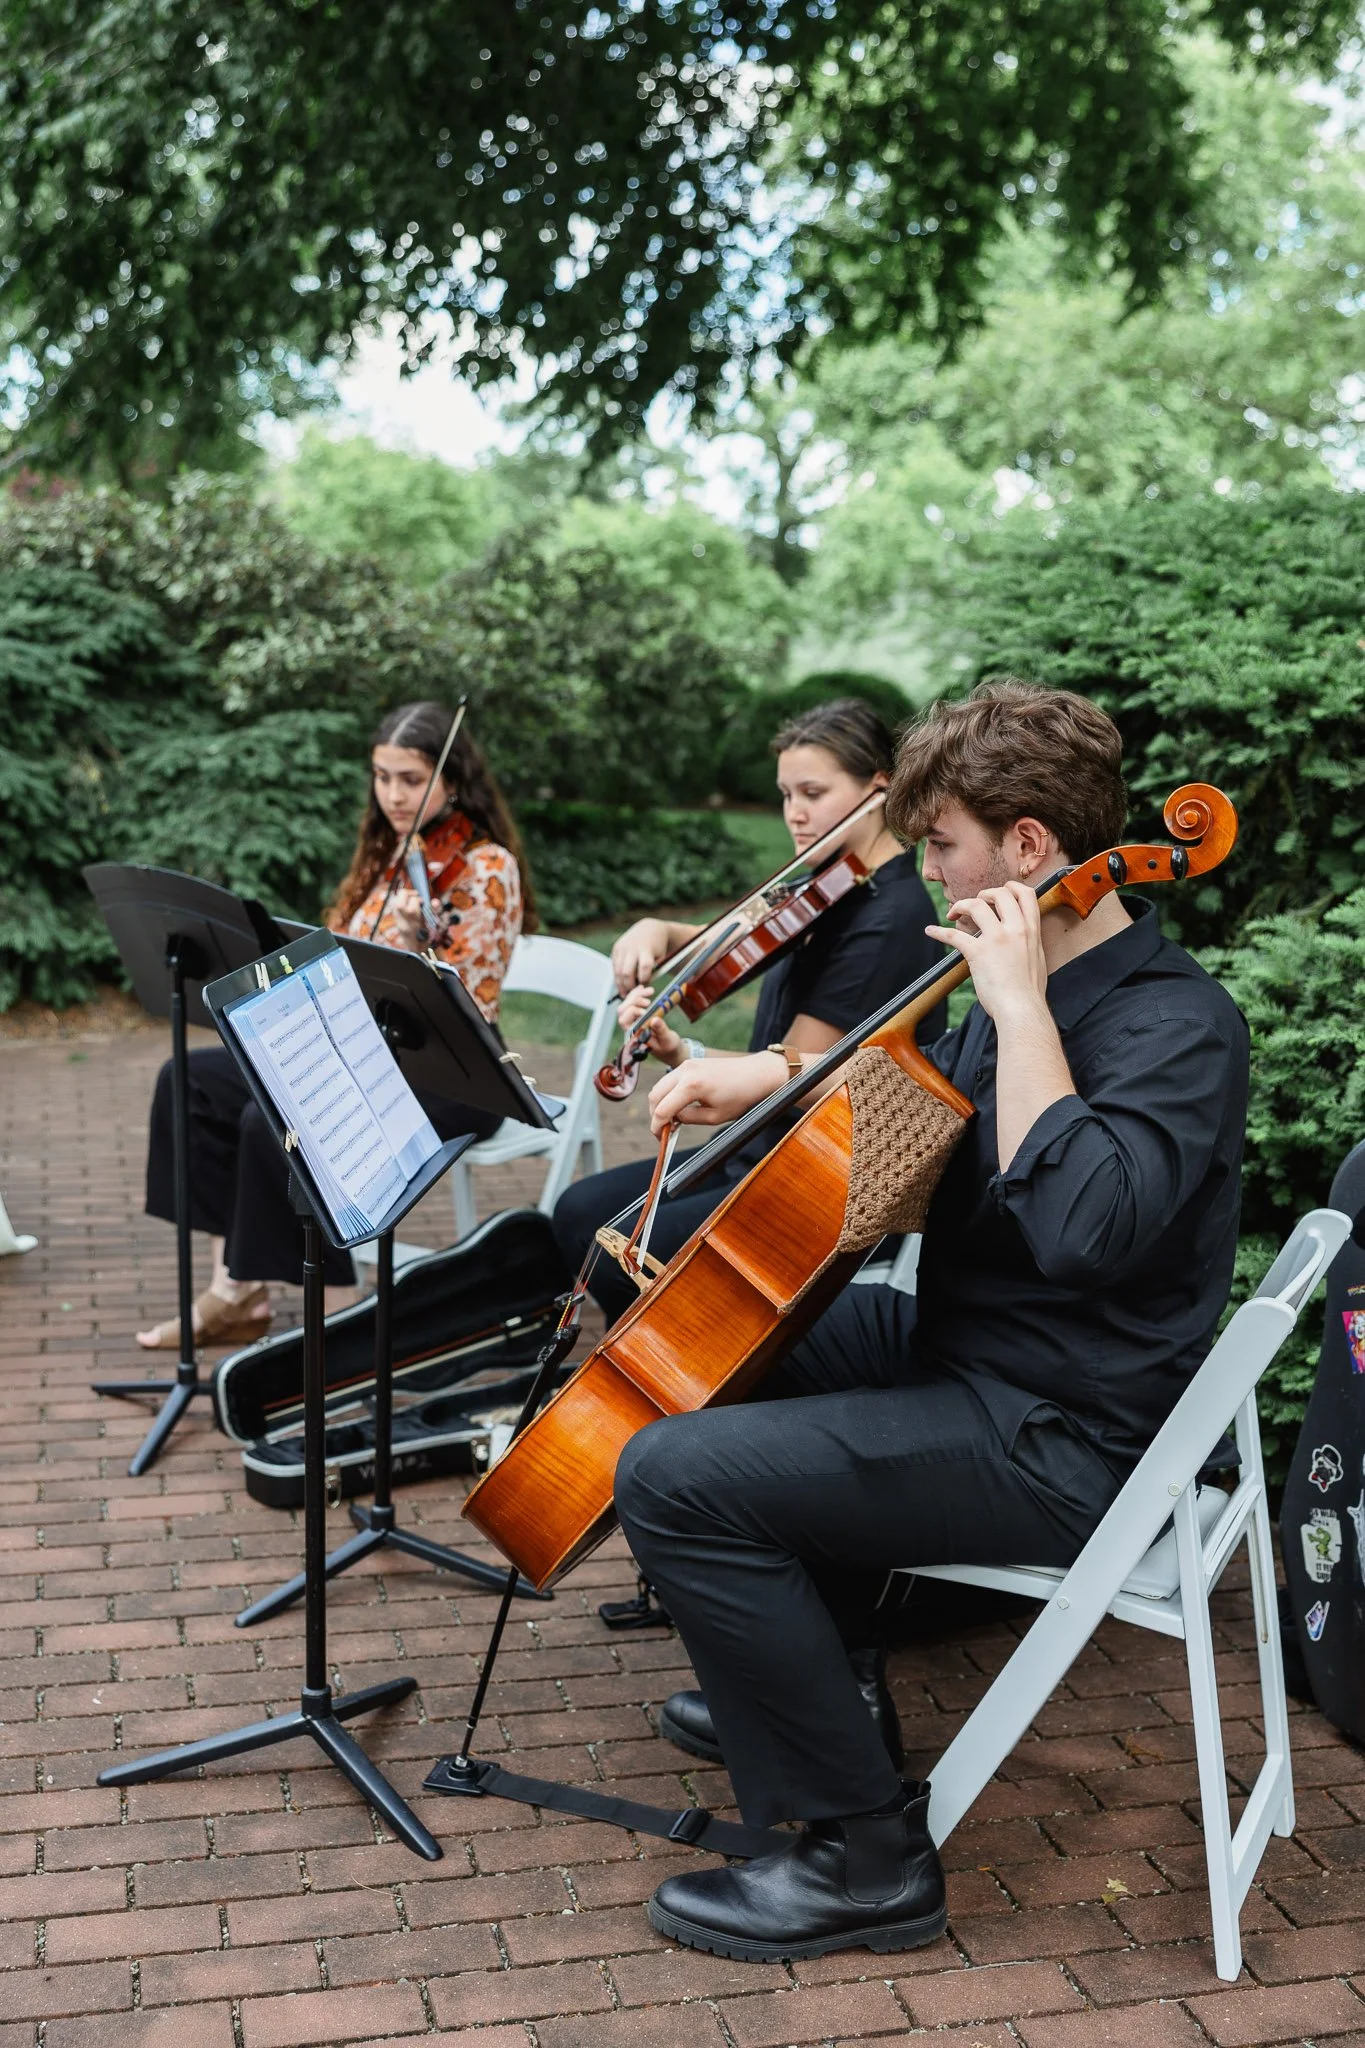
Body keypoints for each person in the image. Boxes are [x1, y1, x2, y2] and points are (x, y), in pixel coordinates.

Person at [611, 680, 1250, 1961]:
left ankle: (863, 1856)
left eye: (942, 846)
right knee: (720, 1349)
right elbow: (912, 1119)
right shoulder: (1008, 997)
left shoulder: (1179, 1024)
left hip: (1067, 1431)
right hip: (974, 1358)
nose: (924, 881)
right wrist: (772, 1073)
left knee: (670, 1477)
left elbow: (1081, 1228)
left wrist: (1018, 1008)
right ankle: (827, 1687)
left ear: (1027, 851)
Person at [135, 702, 533, 1349]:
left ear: (452, 781)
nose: (393, 795)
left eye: (411, 779)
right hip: (354, 1054)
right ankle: (235, 1291)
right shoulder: (387, 854)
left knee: (276, 1121)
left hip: (451, 1074)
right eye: (382, 776)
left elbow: (462, 1007)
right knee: (190, 1080)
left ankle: (343, 1317)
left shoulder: (486, 868)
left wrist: (417, 953)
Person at [553, 697, 945, 1321]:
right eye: (787, 794)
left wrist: (691, 1059)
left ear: (880, 788)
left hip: (806, 1174)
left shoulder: (888, 920)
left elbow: (789, 1076)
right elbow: (724, 939)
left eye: (813, 792)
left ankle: (687, 1372)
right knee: (577, 1211)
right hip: (756, 1147)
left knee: (614, 1249)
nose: (795, 813)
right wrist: (657, 931)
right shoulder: (828, 888)